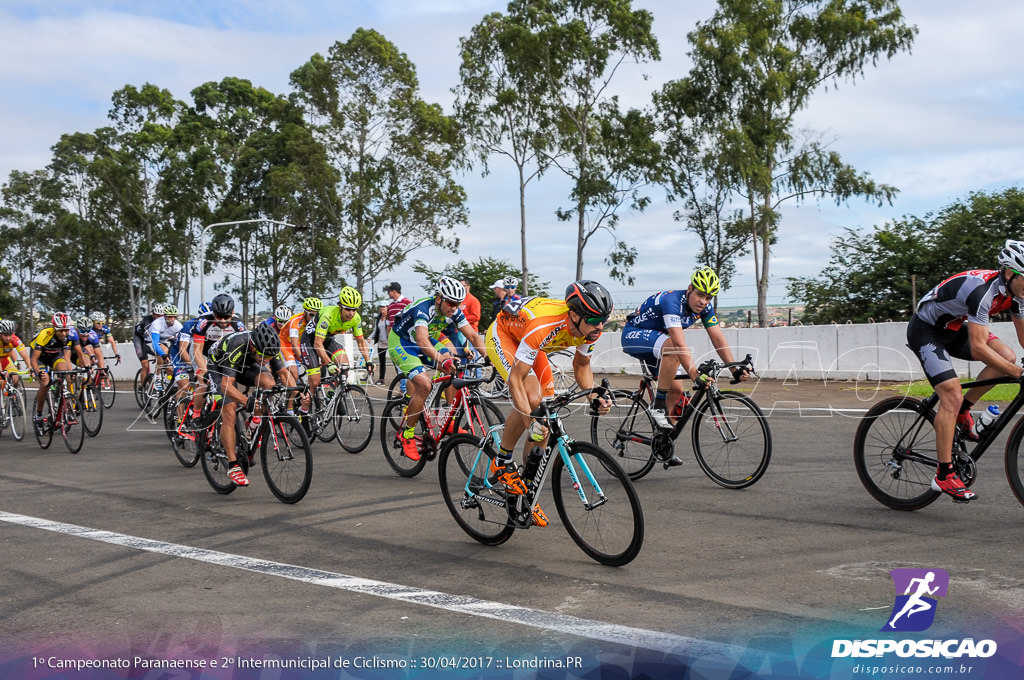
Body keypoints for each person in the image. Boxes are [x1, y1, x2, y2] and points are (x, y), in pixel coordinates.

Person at [484, 280, 613, 527]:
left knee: (546, 414)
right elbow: (515, 381)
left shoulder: (590, 327)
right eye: (594, 320)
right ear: (574, 315)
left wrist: (593, 397)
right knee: (532, 400)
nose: (599, 326)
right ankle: (501, 460)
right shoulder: (545, 325)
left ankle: (525, 492)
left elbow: (582, 366)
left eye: (603, 320)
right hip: (505, 334)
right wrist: (529, 421)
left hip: (532, 342)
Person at [906, 240, 1024, 502]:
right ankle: (944, 475)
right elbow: (980, 348)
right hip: (928, 331)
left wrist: (1015, 367)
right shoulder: (983, 292)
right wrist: (1018, 374)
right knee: (951, 394)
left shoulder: (1017, 295)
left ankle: (963, 412)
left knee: (1007, 356)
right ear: (1009, 273)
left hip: (955, 329)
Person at [621, 266, 750, 465]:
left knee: (677, 391)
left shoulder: (705, 308)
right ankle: (658, 404)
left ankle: (663, 441)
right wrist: (694, 374)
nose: (703, 301)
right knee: (673, 348)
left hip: (660, 343)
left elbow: (718, 338)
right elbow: (679, 343)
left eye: (708, 297)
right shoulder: (672, 302)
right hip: (635, 334)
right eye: (700, 295)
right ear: (690, 289)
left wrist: (735, 368)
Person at [388, 276, 487, 460]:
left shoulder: (454, 312)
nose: (454, 308)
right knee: (425, 385)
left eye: (458, 304)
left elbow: (473, 336)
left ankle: (446, 417)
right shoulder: (424, 308)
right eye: (450, 303)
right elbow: (421, 340)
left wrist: (489, 358)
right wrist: (442, 359)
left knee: (454, 366)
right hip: (402, 342)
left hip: (425, 339)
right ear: (439, 298)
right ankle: (407, 434)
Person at [207, 324, 292, 487]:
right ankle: (233, 466)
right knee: (230, 411)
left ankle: (253, 424)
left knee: (269, 384)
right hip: (218, 367)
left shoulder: (268, 346)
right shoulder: (236, 345)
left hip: (246, 363)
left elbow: (283, 374)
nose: (267, 361)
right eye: (264, 356)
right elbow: (226, 386)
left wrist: (298, 393)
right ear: (253, 346)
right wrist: (247, 401)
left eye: (269, 357)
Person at [28, 313, 81, 425]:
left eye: (66, 330)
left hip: (55, 355)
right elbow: (33, 359)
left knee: (66, 374)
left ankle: (64, 403)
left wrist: (69, 373)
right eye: (60, 330)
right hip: (40, 357)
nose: (63, 333)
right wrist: (38, 373)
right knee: (45, 382)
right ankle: (39, 413)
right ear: (54, 328)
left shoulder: (70, 335)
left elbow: (67, 358)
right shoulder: (45, 334)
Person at [0, 319, 31, 387]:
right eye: (5, 335)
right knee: (1, 380)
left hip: (6, 359)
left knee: (15, 377)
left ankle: (13, 395)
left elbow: (24, 354)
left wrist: (29, 366)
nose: (8, 338)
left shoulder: (14, 339)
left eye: (10, 334)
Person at [369, 301, 389, 385]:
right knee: (382, 362)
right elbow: (375, 330)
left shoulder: (389, 318)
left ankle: (401, 378)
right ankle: (381, 379)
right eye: (381, 307)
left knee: (396, 361)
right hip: (381, 342)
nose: (382, 308)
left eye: (384, 307)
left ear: (387, 307)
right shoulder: (378, 319)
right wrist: (370, 337)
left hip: (389, 342)